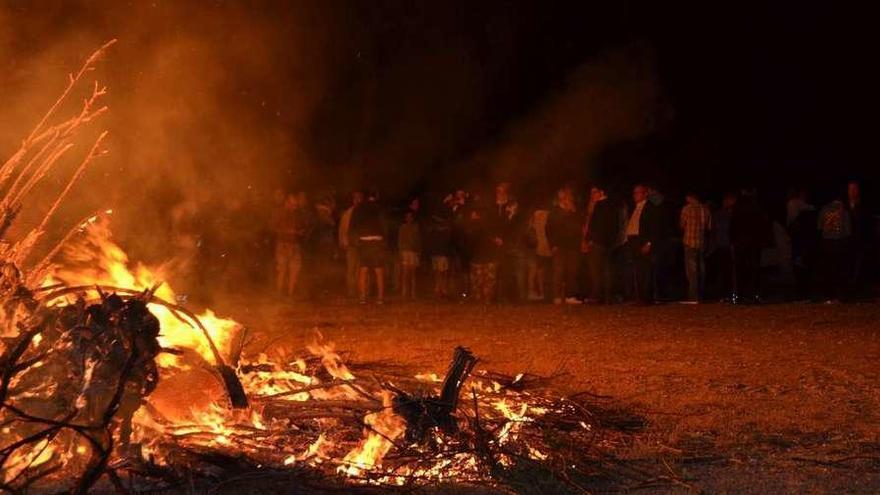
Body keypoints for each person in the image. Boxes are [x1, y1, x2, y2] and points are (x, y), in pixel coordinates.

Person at [730, 187, 771, 304]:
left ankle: (740, 294)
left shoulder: (738, 206)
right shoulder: (757, 205)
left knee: (740, 268)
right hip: (754, 241)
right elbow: (764, 223)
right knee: (755, 268)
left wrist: (732, 239)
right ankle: (755, 294)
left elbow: (733, 224)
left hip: (740, 241)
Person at [624, 184, 661, 304]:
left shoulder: (650, 208)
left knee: (645, 269)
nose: (635, 195)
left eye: (638, 192)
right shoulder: (635, 207)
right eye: (634, 193)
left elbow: (655, 228)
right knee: (636, 269)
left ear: (645, 194)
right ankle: (638, 296)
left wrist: (649, 243)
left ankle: (646, 298)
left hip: (643, 241)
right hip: (633, 240)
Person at [584, 185, 619, 304]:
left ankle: (597, 295)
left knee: (596, 270)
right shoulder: (613, 205)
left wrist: (590, 240)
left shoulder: (599, 206)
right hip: (608, 243)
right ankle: (607, 295)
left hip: (598, 243)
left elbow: (595, 225)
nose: (592, 196)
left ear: (601, 192)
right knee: (607, 269)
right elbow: (615, 226)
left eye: (594, 192)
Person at [547, 187, 582, 304]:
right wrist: (553, 244)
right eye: (566, 197)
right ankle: (556, 296)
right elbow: (549, 229)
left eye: (569, 197)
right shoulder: (555, 212)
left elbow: (578, 228)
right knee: (558, 271)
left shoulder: (574, 212)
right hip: (559, 246)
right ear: (561, 199)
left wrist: (573, 212)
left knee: (572, 271)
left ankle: (570, 296)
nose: (569, 199)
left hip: (573, 246)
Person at [350, 190, 387, 304]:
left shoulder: (359, 208)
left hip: (364, 241)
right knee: (379, 270)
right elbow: (384, 226)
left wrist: (357, 239)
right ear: (377, 196)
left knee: (363, 269)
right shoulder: (379, 208)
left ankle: (362, 298)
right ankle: (380, 298)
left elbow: (353, 226)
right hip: (377, 241)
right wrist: (384, 240)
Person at [817, 195, 852, 302]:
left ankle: (828, 295)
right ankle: (840, 295)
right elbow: (848, 230)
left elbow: (819, 226)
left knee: (828, 269)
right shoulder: (844, 211)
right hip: (839, 242)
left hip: (826, 242)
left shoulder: (823, 209)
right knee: (840, 269)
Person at [270, 192, 304, 298]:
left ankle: (290, 294)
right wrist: (288, 232)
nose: (295, 207)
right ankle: (279, 293)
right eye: (292, 204)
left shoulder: (298, 214)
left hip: (295, 246)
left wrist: (300, 232)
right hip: (283, 245)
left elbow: (303, 227)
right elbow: (272, 228)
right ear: (286, 202)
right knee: (282, 270)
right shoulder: (279, 213)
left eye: (296, 205)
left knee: (294, 270)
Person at [680, 192, 712, 303]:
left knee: (691, 271)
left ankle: (693, 296)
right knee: (701, 269)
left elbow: (682, 225)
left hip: (689, 241)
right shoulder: (705, 210)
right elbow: (708, 227)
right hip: (701, 242)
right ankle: (702, 294)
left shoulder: (687, 209)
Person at [786, 189, 817, 301]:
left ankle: (802, 291)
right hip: (800, 242)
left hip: (799, 242)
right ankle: (803, 291)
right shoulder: (797, 205)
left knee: (800, 265)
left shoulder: (798, 210)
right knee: (801, 266)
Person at [846, 181, 872, 299]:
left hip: (861, 240)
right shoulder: (844, 206)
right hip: (847, 241)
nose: (852, 191)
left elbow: (867, 223)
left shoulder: (864, 205)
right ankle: (850, 290)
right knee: (850, 265)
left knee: (859, 266)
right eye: (850, 189)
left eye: (854, 189)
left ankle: (857, 290)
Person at [338, 191, 364, 298]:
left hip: (363, 245)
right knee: (351, 269)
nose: (358, 200)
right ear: (353, 199)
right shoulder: (348, 213)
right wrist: (343, 242)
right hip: (351, 245)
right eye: (356, 198)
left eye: (360, 198)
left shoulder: (365, 212)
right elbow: (343, 229)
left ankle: (361, 291)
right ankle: (352, 292)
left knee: (361, 269)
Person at [425, 207, 454, 299]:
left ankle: (440, 290)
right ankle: (440, 291)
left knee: (440, 273)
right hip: (440, 253)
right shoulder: (442, 228)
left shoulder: (437, 228)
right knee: (441, 273)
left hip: (439, 253)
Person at [527, 201, 552, 301]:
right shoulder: (547, 214)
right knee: (539, 271)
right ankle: (540, 292)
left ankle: (532, 292)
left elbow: (530, 228)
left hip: (535, 246)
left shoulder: (534, 215)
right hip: (543, 247)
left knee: (534, 270)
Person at [398, 210, 421, 299]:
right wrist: (400, 251)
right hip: (405, 252)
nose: (409, 218)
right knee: (405, 274)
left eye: (410, 217)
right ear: (405, 218)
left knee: (413, 274)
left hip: (413, 252)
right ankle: (404, 292)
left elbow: (418, 240)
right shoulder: (402, 228)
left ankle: (413, 293)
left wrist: (419, 251)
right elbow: (399, 240)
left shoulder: (416, 227)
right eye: (407, 217)